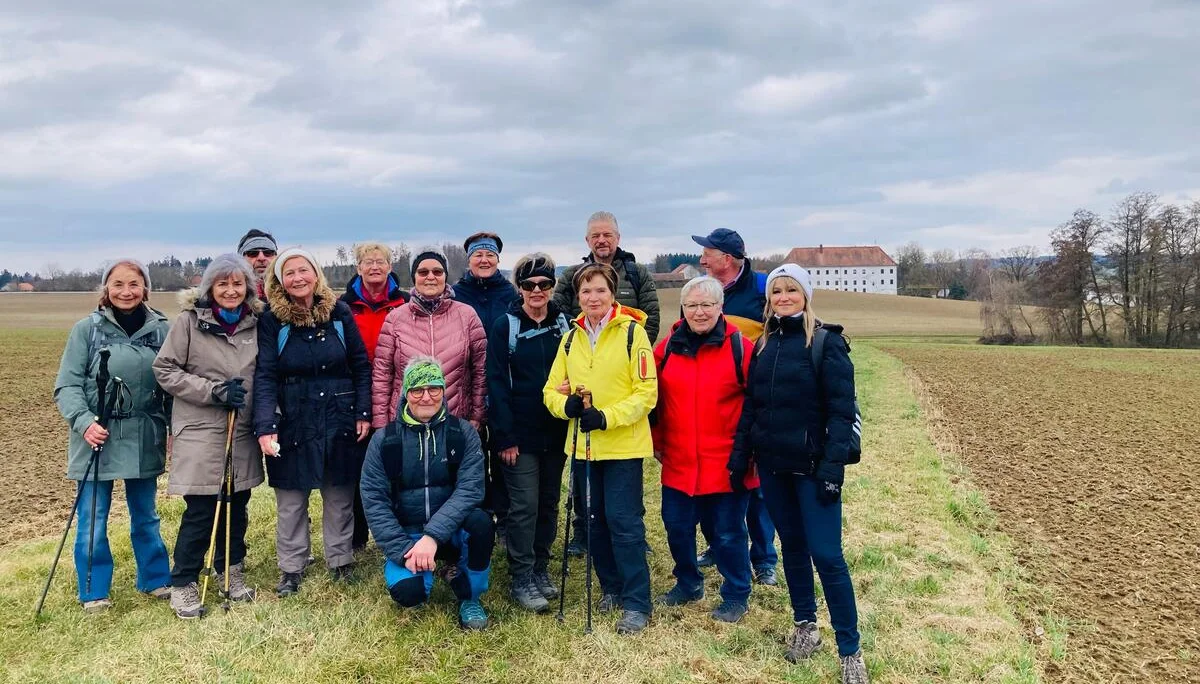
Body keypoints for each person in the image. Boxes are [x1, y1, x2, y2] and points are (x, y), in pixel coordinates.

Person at [730, 264, 868, 682]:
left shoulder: (827, 343)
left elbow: (842, 413)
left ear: (805, 295)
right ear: (768, 298)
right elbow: (753, 407)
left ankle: (850, 650)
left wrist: (832, 470)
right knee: (792, 548)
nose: (784, 296)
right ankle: (805, 626)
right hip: (774, 467)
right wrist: (741, 456)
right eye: (777, 291)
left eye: (792, 289)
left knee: (827, 556)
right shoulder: (763, 345)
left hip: (813, 470)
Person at [543, 263, 658, 635]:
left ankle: (637, 602)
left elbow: (647, 394)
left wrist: (607, 417)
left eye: (600, 291)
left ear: (612, 293)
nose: (593, 298)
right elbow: (550, 391)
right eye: (586, 292)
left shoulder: (632, 334)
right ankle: (611, 588)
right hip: (583, 449)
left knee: (624, 523)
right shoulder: (569, 339)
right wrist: (567, 408)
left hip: (622, 446)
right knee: (593, 522)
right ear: (578, 297)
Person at [53, 259, 171, 612]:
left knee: (146, 514)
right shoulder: (85, 330)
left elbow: (171, 384)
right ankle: (93, 589)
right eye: (118, 284)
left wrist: (174, 426)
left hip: (144, 433)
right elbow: (67, 385)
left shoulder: (161, 330)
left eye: (134, 284)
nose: (126, 291)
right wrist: (85, 421)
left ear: (145, 288)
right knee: (92, 515)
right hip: (96, 436)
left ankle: (155, 578)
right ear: (106, 288)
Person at [253, 247, 372, 597]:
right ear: (279, 280)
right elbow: (265, 375)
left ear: (315, 273)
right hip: (293, 417)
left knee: (339, 493)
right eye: (289, 273)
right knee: (291, 497)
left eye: (303, 270)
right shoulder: (272, 319)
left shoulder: (338, 312)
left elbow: (361, 365)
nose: (298, 278)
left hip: (339, 414)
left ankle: (340, 559)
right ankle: (292, 566)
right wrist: (265, 424)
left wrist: (362, 412)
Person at [153, 254, 264, 619]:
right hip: (201, 431)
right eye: (223, 284)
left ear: (247, 287)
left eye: (237, 284)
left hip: (242, 429)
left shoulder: (255, 323)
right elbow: (165, 369)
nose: (231, 291)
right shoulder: (188, 323)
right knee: (201, 511)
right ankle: (183, 582)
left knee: (238, 506)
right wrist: (213, 391)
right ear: (210, 288)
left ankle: (229, 570)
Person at [552, 211, 659, 556]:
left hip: (625, 373)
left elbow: (652, 316)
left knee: (623, 484)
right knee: (586, 477)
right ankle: (584, 534)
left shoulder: (637, 273)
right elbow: (561, 316)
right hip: (584, 371)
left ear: (617, 237)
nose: (602, 240)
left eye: (608, 235)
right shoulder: (572, 276)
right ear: (587, 240)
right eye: (596, 235)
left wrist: (629, 348)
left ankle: (631, 536)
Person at [360, 357, 493, 630]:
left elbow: (471, 490)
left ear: (444, 391)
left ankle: (470, 595)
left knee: (481, 523)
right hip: (408, 533)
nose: (426, 397)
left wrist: (432, 537)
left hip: (452, 530)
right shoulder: (385, 440)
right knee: (409, 594)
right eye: (417, 390)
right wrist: (404, 550)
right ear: (406, 393)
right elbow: (374, 500)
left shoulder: (463, 433)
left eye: (434, 388)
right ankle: (430, 571)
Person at [651, 276, 756, 623]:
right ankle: (688, 582)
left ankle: (737, 592)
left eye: (706, 305)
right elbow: (652, 400)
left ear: (720, 307)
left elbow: (758, 405)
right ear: (683, 308)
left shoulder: (741, 348)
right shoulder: (665, 349)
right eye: (692, 305)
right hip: (679, 460)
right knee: (677, 527)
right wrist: (657, 443)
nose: (699, 312)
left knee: (727, 533)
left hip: (727, 462)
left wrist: (749, 453)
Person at [691, 228, 778, 586]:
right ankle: (718, 546)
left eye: (707, 253)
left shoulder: (763, 289)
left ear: (726, 259)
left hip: (755, 403)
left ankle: (764, 558)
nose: (701, 259)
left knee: (755, 485)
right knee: (717, 481)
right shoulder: (703, 293)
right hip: (715, 406)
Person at [486, 253, 570, 612]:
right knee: (523, 507)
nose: (537, 290)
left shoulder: (565, 324)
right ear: (519, 288)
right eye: (529, 284)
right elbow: (496, 385)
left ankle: (540, 568)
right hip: (518, 435)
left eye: (545, 284)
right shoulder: (505, 326)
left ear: (552, 287)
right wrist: (504, 437)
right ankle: (520, 575)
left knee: (549, 502)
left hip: (556, 430)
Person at [340, 242, 409, 551]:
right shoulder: (343, 305)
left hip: (398, 391)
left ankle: (398, 533)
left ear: (390, 266)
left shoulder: (404, 302)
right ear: (358, 268)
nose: (374, 267)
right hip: (356, 390)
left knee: (396, 464)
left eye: (380, 261)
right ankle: (356, 538)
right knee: (359, 467)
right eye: (367, 262)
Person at [372, 247, 487, 432]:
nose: (430, 277)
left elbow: (480, 371)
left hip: (456, 422)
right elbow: (382, 375)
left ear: (445, 276)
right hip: (405, 423)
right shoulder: (395, 319)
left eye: (437, 271)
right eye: (423, 272)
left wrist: (477, 416)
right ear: (414, 277)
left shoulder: (467, 316)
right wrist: (381, 426)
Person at [452, 232, 519, 549]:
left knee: (504, 456)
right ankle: (476, 519)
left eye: (489, 254)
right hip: (467, 388)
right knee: (472, 458)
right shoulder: (456, 294)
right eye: (478, 254)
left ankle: (506, 521)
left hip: (507, 388)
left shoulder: (512, 294)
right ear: (469, 260)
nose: (484, 259)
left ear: (498, 259)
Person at [237, 229, 278, 299]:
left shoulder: (292, 292)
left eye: (268, 252)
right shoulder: (229, 296)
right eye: (252, 253)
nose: (261, 258)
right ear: (241, 259)